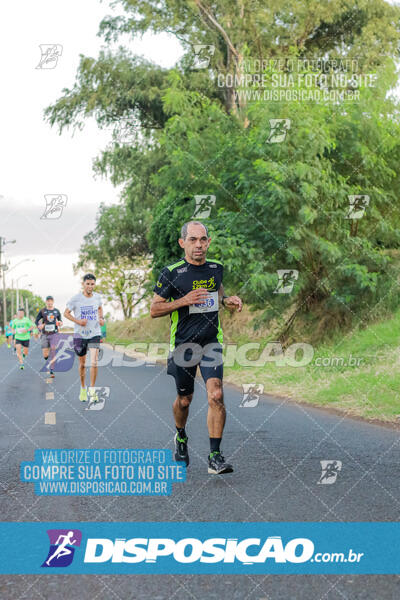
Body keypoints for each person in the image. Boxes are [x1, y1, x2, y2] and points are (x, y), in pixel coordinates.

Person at [150, 221, 242, 475]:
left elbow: (217, 289)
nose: (198, 245)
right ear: (183, 243)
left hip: (211, 341)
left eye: (203, 240)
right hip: (183, 345)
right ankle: (181, 435)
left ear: (208, 242)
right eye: (193, 240)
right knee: (185, 399)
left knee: (217, 395)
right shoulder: (172, 272)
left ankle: (215, 456)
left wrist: (226, 300)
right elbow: (154, 309)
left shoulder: (216, 268)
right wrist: (183, 300)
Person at [64, 273, 104, 403]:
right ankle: (83, 388)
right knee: (82, 364)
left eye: (92, 284)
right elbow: (66, 313)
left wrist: (101, 318)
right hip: (80, 334)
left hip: (95, 333)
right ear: (83, 284)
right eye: (88, 284)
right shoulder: (76, 299)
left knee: (94, 361)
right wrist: (78, 321)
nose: (90, 286)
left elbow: (99, 308)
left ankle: (92, 390)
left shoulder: (97, 297)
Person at [35, 295, 63, 378]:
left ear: (53, 302)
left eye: (51, 301)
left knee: (53, 351)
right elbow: (36, 321)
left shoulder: (56, 311)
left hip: (54, 333)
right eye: (48, 301)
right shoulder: (42, 311)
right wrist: (39, 325)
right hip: (44, 334)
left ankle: (52, 369)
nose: (49, 302)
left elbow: (60, 320)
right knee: (45, 354)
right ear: (46, 302)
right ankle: (47, 359)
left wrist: (60, 323)